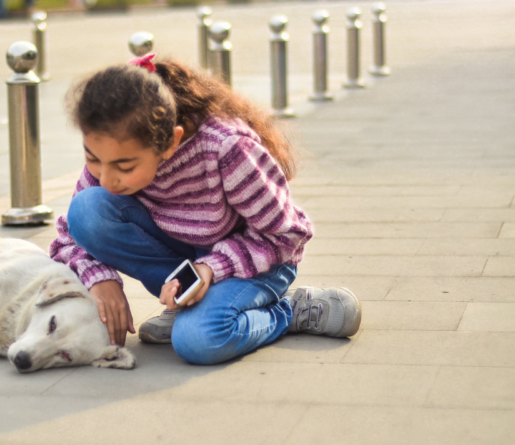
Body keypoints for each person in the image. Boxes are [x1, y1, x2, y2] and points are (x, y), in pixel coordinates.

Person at [49, 55, 362, 365]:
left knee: (199, 340)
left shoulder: (226, 149)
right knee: (87, 210)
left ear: (171, 142)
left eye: (125, 166)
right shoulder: (111, 156)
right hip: (193, 263)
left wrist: (212, 268)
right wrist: (99, 278)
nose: (105, 178)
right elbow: (68, 236)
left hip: (262, 262)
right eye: (93, 159)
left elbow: (287, 235)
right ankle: (192, 305)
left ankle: (287, 311)